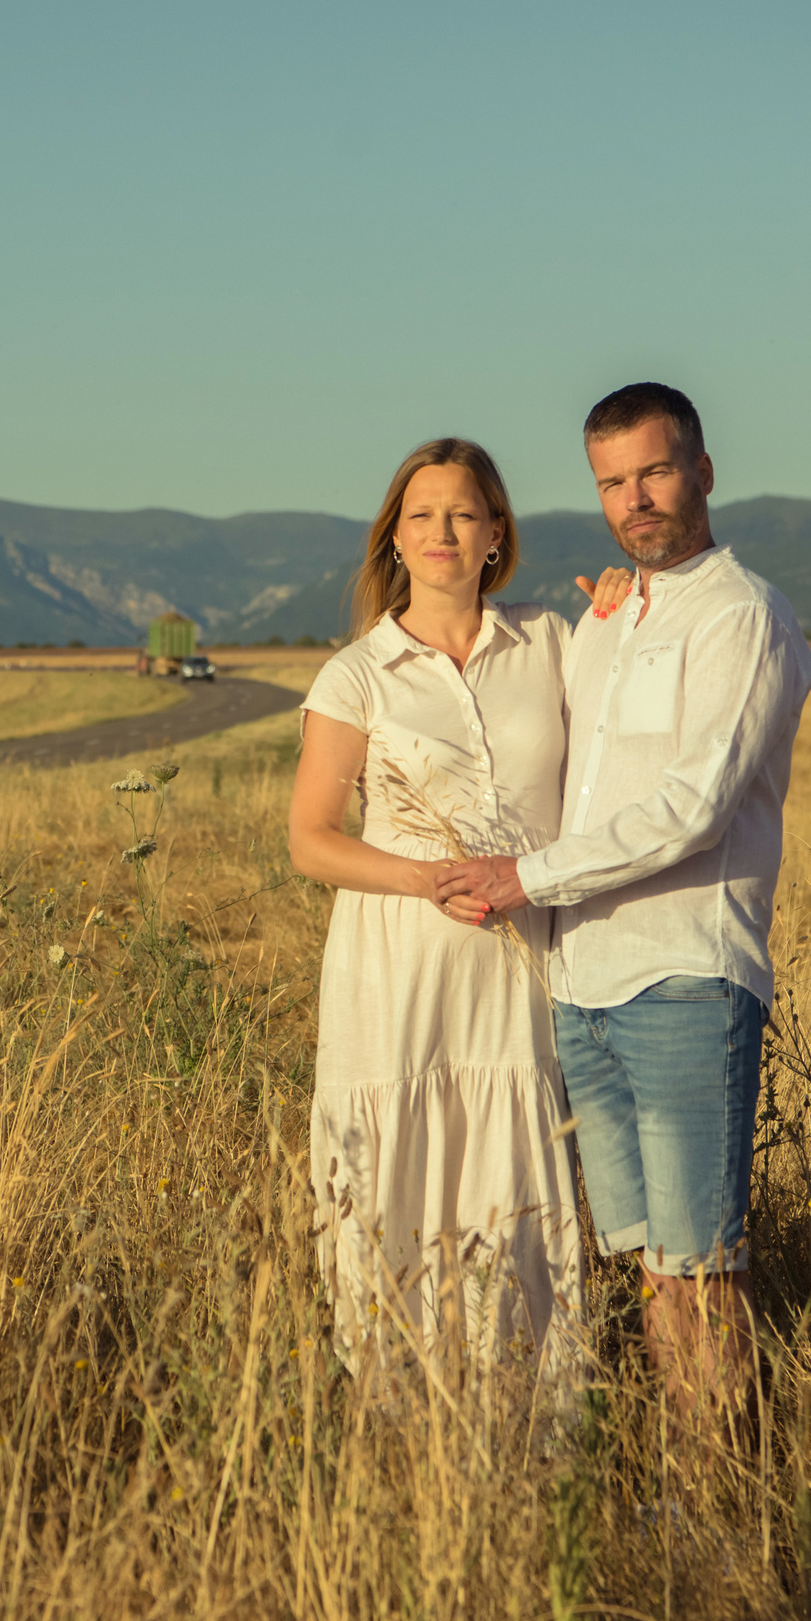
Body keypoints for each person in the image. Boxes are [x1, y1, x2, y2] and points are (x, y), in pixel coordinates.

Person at [434, 383, 811, 1426]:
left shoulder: (742, 616)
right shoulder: (606, 622)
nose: (634, 499)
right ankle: (686, 1502)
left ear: (700, 469)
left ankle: (721, 1518)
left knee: (703, 1265)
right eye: (611, 481)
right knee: (651, 1266)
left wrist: (526, 879)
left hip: (684, 975)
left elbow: (690, 808)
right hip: (585, 987)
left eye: (652, 471)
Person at [288, 436, 629, 1379]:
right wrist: (420, 878)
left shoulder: (552, 642)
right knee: (398, 1176)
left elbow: (627, 707)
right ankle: (402, 1419)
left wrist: (617, 615)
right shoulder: (358, 674)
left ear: (496, 533)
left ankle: (527, 1410)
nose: (443, 531)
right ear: (394, 538)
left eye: (464, 513)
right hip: (397, 965)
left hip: (517, 967)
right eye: (422, 514)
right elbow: (309, 836)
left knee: (514, 1171)